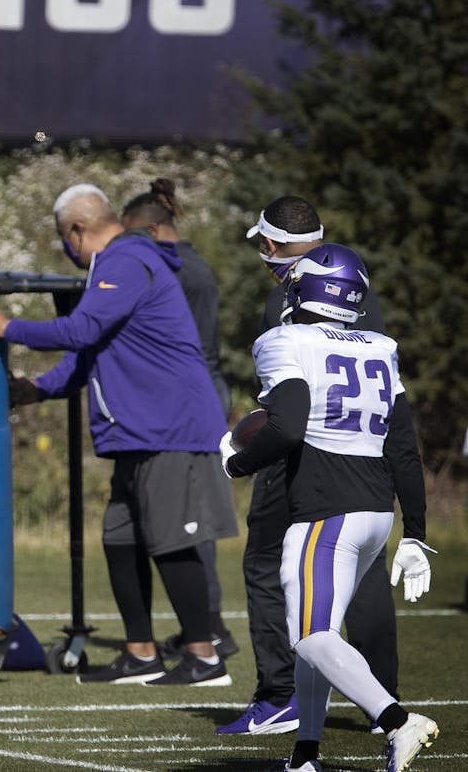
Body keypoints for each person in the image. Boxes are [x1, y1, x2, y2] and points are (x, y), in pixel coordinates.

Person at [0, 184, 237, 687]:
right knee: (121, 538)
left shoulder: (125, 258)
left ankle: (204, 656)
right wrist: (37, 390)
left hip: (169, 427)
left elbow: (81, 331)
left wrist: (7, 327)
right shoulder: (115, 266)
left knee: (170, 542)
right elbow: (90, 355)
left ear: (76, 230)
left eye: (64, 239)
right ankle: (140, 653)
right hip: (138, 434)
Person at [220, 244, 437, 772]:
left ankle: (397, 720)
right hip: (375, 511)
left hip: (325, 510)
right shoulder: (382, 346)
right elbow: (404, 449)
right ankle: (304, 756)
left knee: (309, 637)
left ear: (307, 289)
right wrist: (415, 532)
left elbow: (287, 425)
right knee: (318, 634)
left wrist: (238, 463)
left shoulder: (284, 338)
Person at [120, 179, 239, 662]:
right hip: (199, 391)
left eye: (128, 239)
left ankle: (210, 628)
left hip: (195, 399)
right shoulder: (182, 267)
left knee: (192, 522)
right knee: (183, 518)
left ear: (151, 230)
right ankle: (203, 625)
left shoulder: (179, 272)